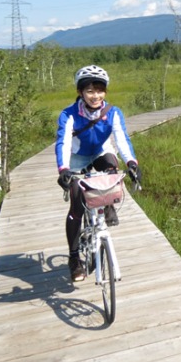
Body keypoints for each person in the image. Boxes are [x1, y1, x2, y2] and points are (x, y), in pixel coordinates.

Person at [55, 65, 141, 282]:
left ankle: (109, 205)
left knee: (112, 168)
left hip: (101, 152)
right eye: (90, 91)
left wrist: (131, 162)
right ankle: (74, 259)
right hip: (77, 157)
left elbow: (121, 138)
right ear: (80, 92)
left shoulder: (112, 112)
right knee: (76, 205)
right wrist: (64, 169)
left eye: (100, 90)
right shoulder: (69, 114)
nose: (95, 96)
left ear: (105, 91)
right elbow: (63, 142)